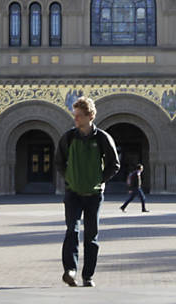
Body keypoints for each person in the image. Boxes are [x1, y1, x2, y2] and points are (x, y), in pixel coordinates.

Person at [55, 97, 120, 287]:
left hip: (94, 195)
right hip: (73, 193)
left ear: (90, 116)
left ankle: (88, 275)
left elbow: (114, 164)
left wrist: (98, 180)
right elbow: (59, 162)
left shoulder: (102, 138)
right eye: (74, 115)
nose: (75, 119)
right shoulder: (68, 137)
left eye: (79, 116)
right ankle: (70, 270)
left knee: (91, 236)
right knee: (72, 231)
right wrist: (70, 178)